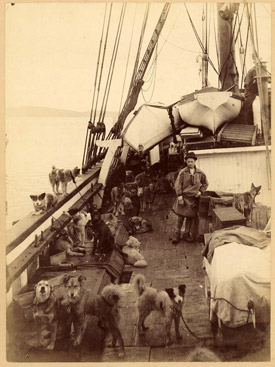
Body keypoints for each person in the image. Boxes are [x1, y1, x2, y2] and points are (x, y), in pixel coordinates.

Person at [171, 151, 208, 243]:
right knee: (180, 217)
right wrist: (179, 196)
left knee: (190, 218)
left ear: (195, 161)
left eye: (191, 161)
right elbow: (178, 184)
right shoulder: (183, 173)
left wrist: (200, 192)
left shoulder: (200, 173)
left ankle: (186, 234)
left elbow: (205, 184)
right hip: (183, 197)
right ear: (186, 162)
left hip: (193, 199)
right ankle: (176, 235)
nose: (190, 163)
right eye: (188, 161)